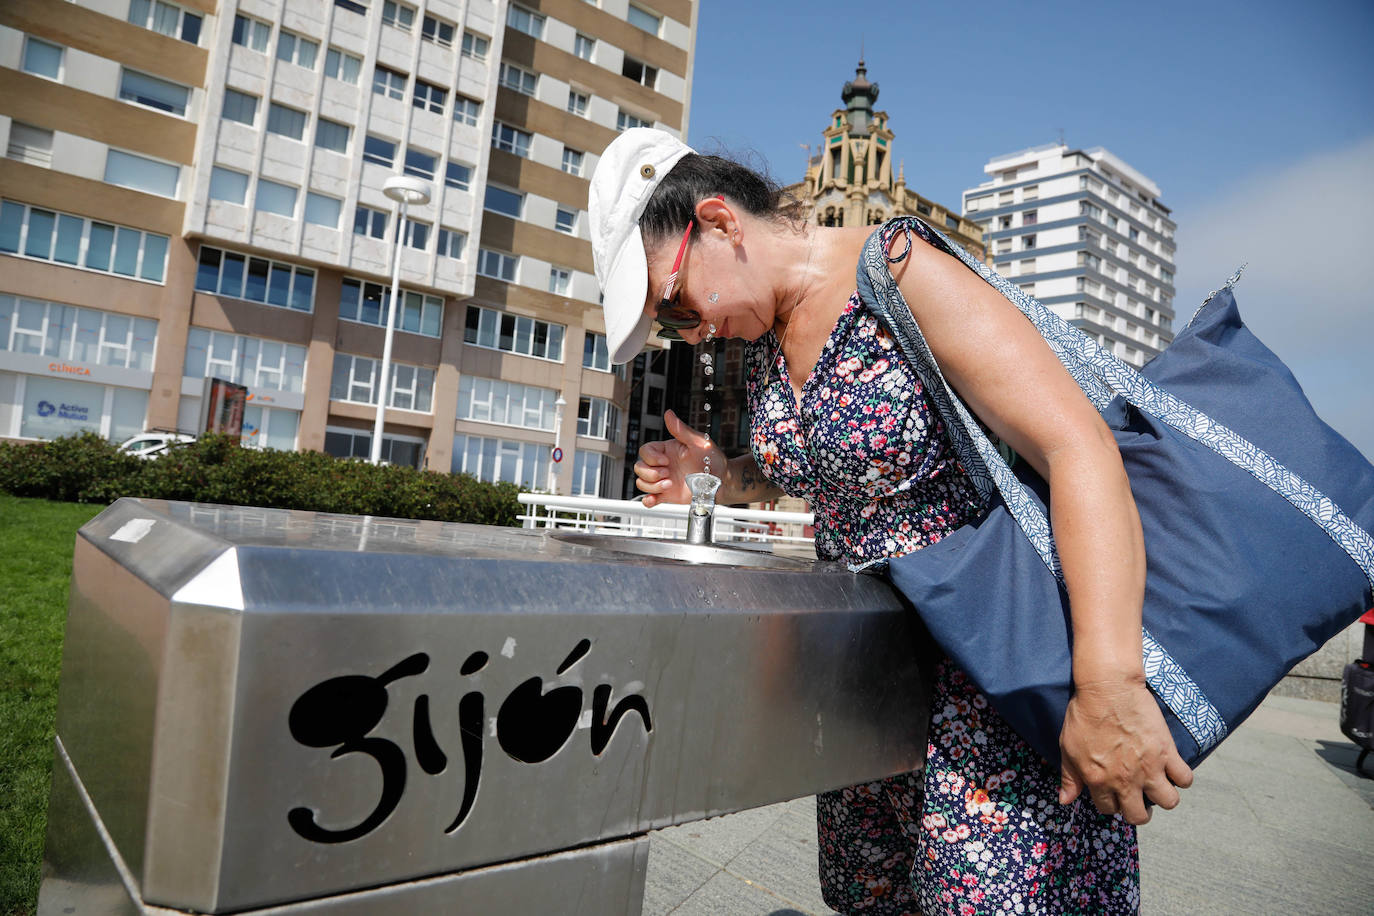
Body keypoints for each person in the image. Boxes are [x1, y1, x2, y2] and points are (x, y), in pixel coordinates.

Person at [589, 128, 1193, 915]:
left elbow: (1074, 445)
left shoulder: (898, 270)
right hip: (869, 693)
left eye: (674, 303)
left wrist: (1109, 684)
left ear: (720, 222)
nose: (690, 333)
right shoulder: (771, 337)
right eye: (671, 328)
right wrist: (724, 476)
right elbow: (830, 462)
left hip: (983, 686)